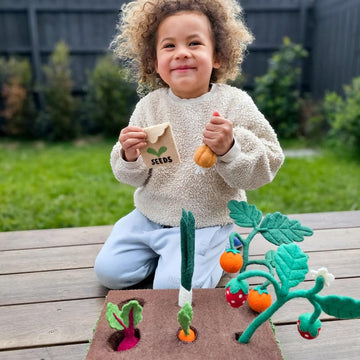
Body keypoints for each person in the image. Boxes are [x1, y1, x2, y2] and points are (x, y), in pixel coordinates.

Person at [94, 0, 284, 290]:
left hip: (206, 222)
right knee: (109, 273)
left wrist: (230, 149)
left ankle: (220, 246)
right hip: (149, 217)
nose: (181, 53)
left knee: (172, 288)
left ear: (218, 55)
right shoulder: (149, 106)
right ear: (155, 62)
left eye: (194, 43)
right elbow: (130, 176)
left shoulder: (234, 103)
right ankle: (164, 256)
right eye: (169, 46)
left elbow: (269, 161)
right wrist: (129, 156)